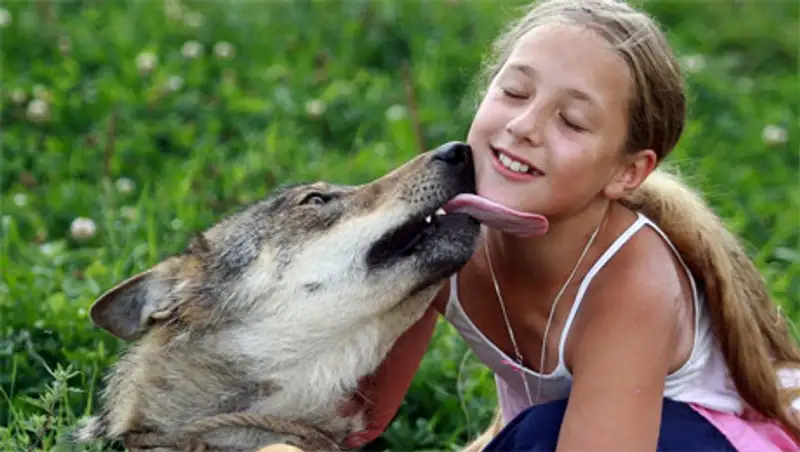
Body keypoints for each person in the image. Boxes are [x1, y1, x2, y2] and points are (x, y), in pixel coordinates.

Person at [340, 0, 800, 450]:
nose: (524, 125)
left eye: (572, 122)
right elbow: (355, 418)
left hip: (711, 441)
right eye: (515, 92)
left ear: (628, 172)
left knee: (542, 435)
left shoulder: (633, 285)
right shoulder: (444, 229)